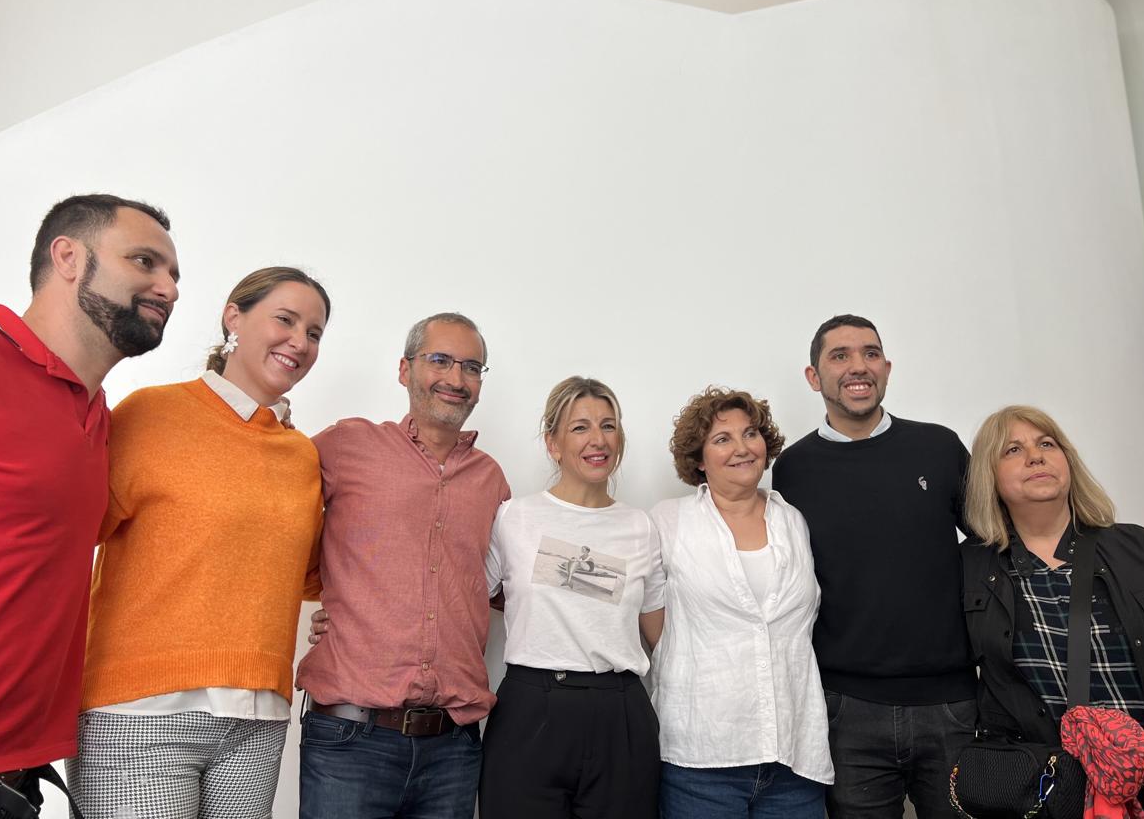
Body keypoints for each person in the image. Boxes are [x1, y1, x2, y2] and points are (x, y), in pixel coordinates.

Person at [65, 267, 330, 818]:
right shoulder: (151, 414)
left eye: (314, 332)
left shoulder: (302, 455)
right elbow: (68, 536)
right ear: (234, 315)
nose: (300, 342)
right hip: (140, 712)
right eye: (285, 319)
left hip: (259, 721)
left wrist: (355, 611)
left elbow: (309, 575)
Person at [0, 194, 179, 816]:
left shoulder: (100, 415)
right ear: (69, 258)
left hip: (14, 777)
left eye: (174, 275)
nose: (168, 287)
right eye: (145, 261)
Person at [297, 312, 510, 819]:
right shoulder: (346, 445)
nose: (457, 379)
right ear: (404, 369)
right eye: (440, 360)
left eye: (472, 366)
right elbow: (274, 522)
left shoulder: (492, 480)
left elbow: (508, 586)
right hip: (349, 739)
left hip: (454, 750)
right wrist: (315, 597)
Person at [770, 314, 974, 818]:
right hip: (846, 710)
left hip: (950, 704)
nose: (858, 366)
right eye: (839, 356)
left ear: (886, 367)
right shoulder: (792, 470)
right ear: (813, 377)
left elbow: (994, 547)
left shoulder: (939, 447)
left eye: (870, 353)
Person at [479, 376, 665, 819]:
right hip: (530, 710)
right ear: (553, 443)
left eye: (608, 425)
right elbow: (463, 601)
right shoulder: (514, 517)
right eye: (580, 427)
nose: (597, 439)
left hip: (620, 714)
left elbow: (663, 639)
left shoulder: (641, 527)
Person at [961, 405, 1144, 815]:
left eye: (1046, 444)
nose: (1035, 456)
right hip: (1049, 791)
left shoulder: (1142, 549)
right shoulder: (968, 569)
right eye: (1012, 450)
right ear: (989, 477)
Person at [650, 387, 832, 818]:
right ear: (698, 459)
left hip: (794, 757)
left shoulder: (794, 520)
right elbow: (651, 621)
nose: (741, 448)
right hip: (701, 757)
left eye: (750, 434)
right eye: (722, 439)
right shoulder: (668, 522)